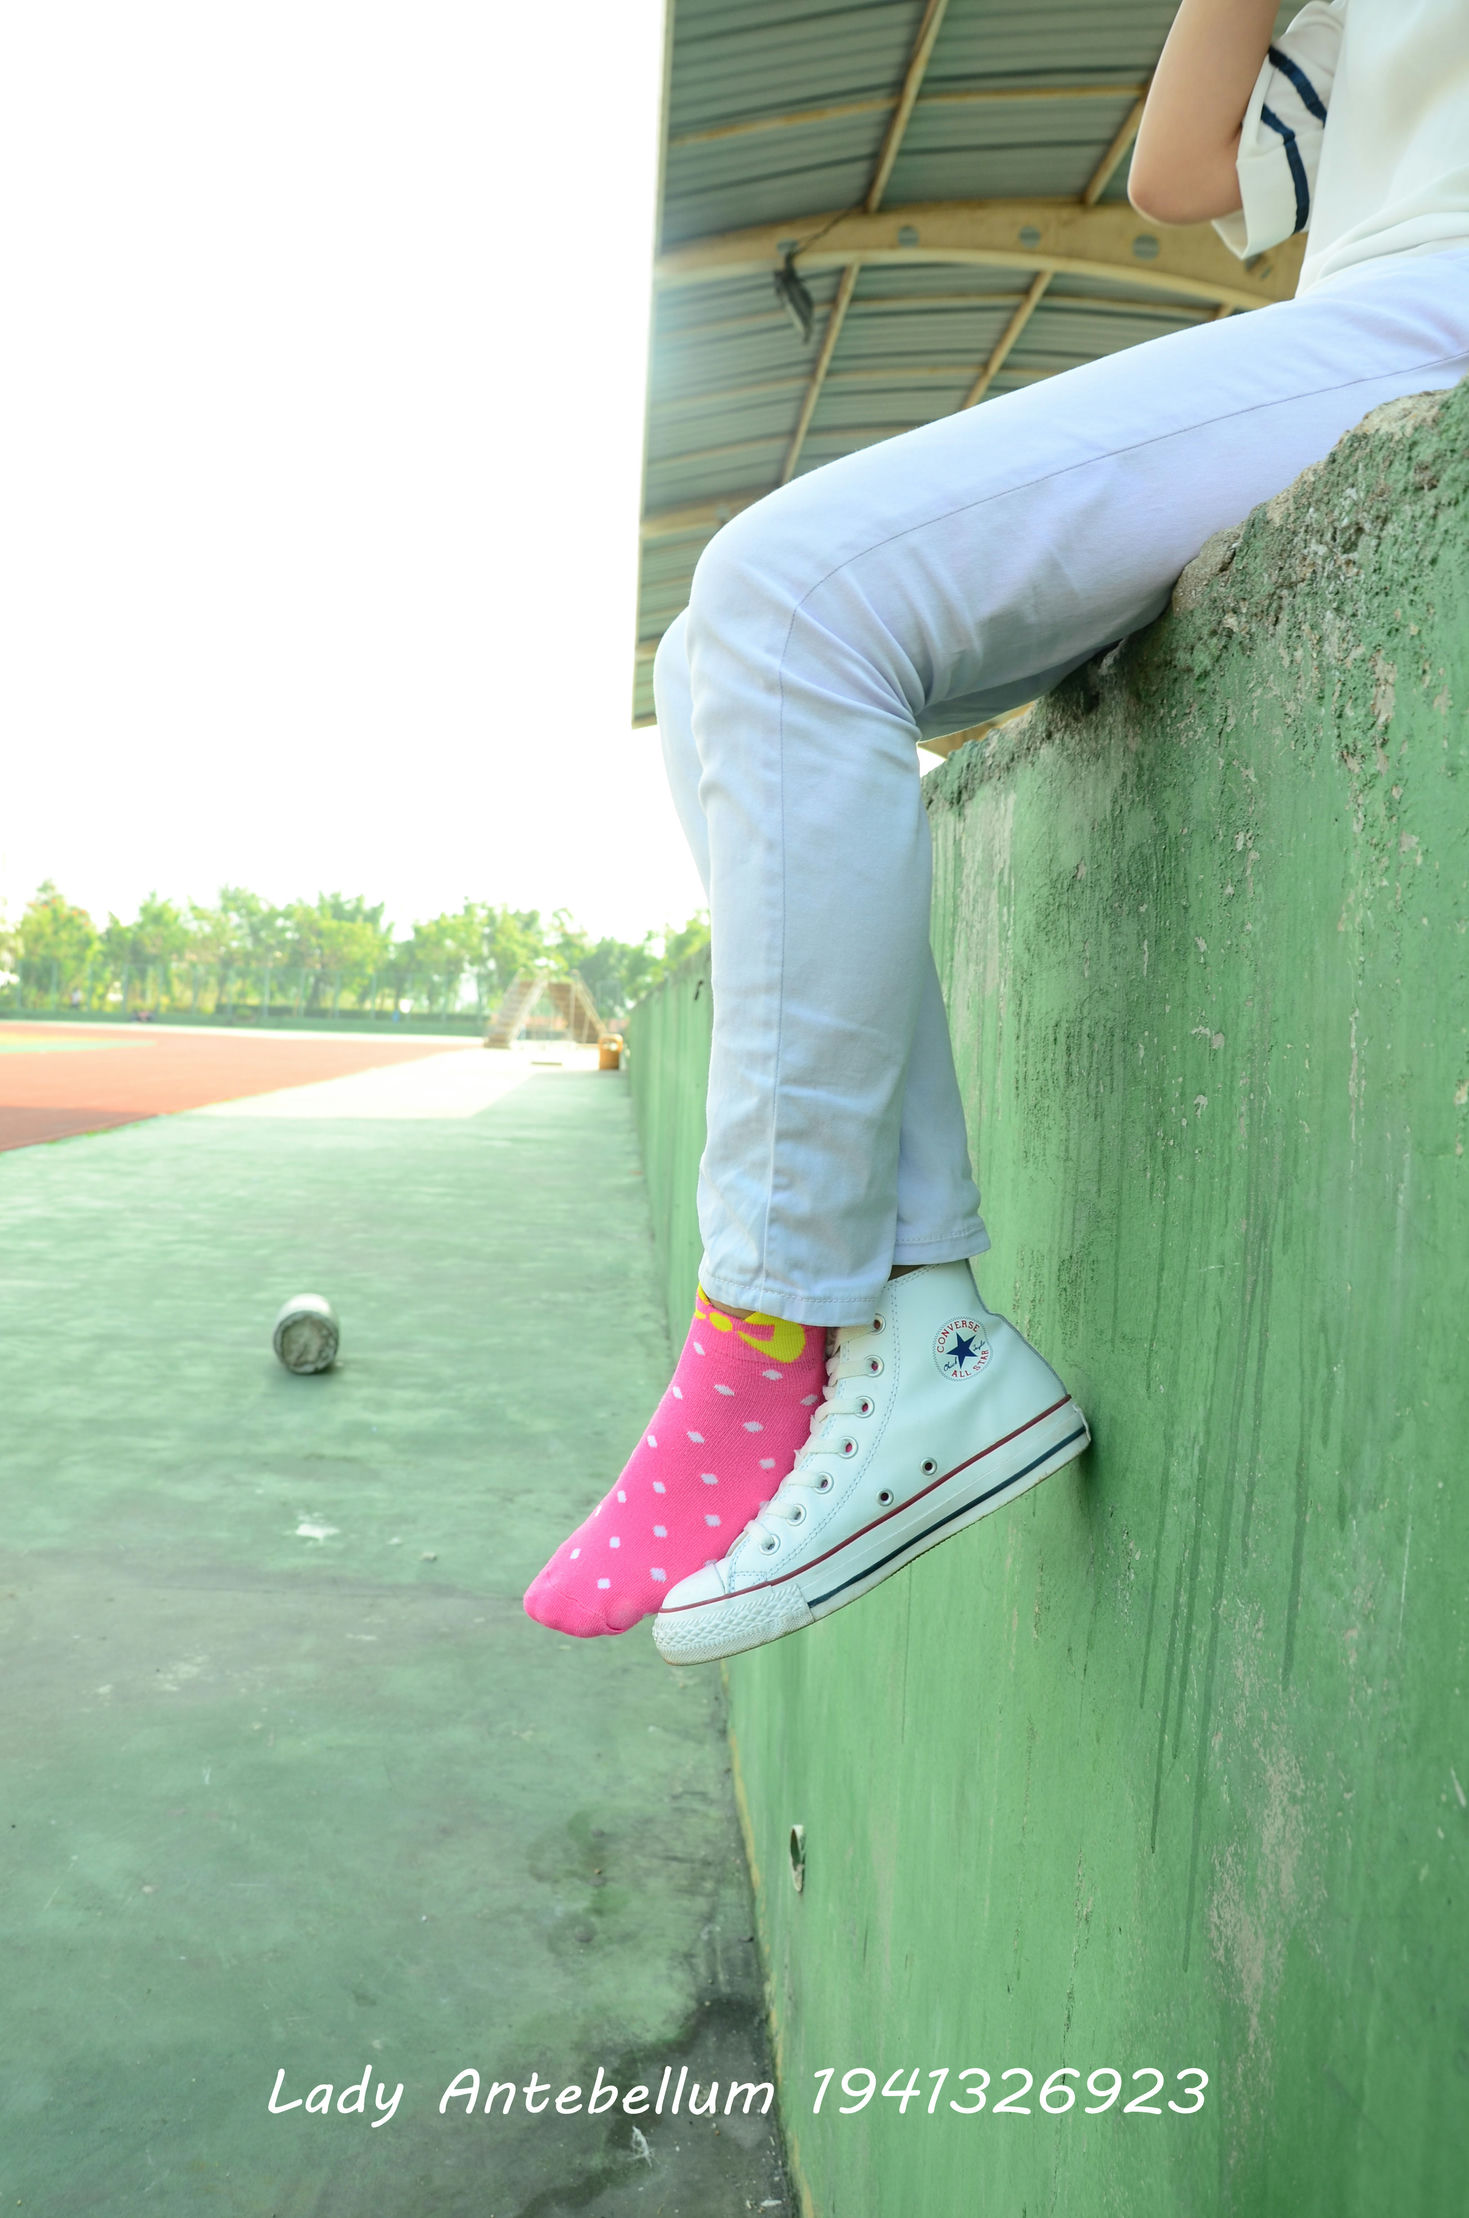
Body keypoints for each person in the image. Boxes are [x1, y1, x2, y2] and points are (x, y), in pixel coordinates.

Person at [526, 0, 1469, 1663]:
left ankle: (763, 1329)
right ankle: (918, 1320)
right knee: (714, 654)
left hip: (1435, 309)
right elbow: (1182, 172)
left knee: (779, 598)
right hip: (1355, 311)